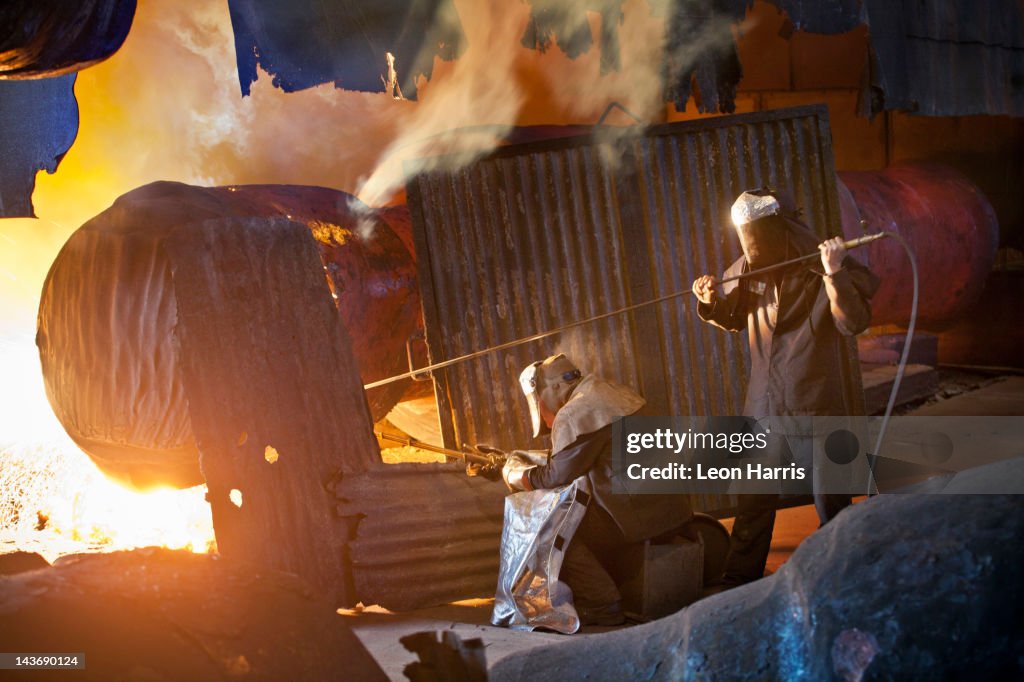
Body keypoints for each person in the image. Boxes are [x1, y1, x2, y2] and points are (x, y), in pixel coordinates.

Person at [691, 188, 879, 586]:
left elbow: (852, 323)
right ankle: (739, 580)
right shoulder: (748, 270)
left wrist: (834, 273)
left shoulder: (822, 263)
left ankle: (841, 573)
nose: (753, 250)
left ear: (782, 227)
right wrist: (709, 302)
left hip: (816, 399)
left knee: (831, 501)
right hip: (766, 402)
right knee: (753, 499)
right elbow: (734, 318)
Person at [495, 353, 693, 628]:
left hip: (641, 518)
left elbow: (555, 476)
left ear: (552, 389)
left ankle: (603, 604)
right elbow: (577, 456)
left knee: (552, 530)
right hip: (674, 508)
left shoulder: (576, 412)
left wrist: (513, 473)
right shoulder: (610, 391)